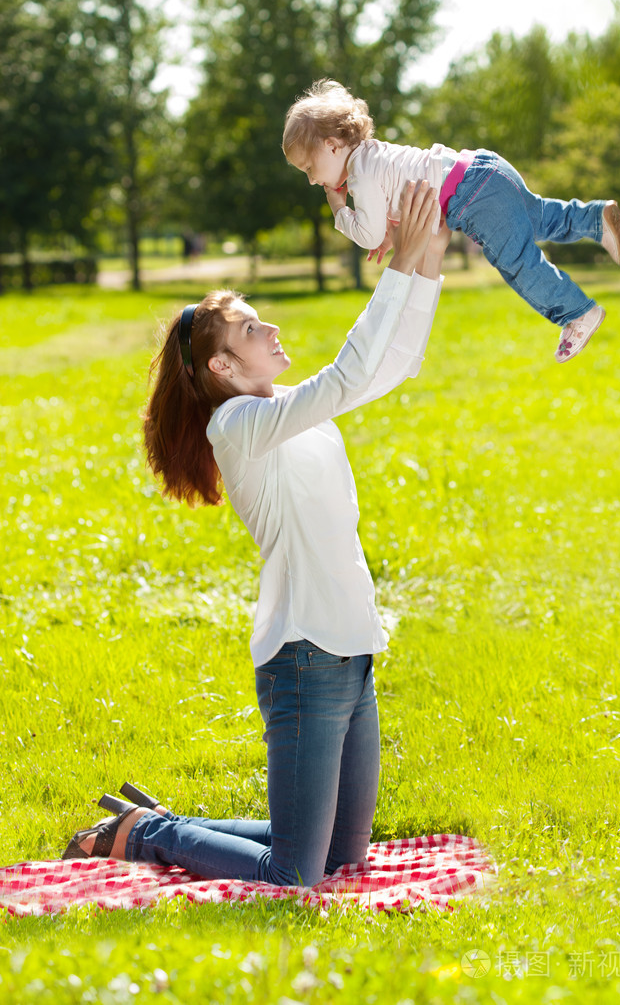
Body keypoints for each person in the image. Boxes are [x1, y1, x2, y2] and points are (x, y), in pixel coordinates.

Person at [62, 182, 450, 886]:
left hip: (351, 646)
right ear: (222, 368)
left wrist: (427, 265)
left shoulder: (289, 411)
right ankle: (149, 832)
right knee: (295, 874)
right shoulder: (237, 427)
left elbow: (388, 367)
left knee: (342, 857)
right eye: (249, 329)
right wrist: (399, 268)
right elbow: (350, 372)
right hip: (303, 657)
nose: (270, 330)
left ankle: (151, 824)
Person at [282, 79, 620, 364]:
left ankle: (577, 312)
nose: (312, 180)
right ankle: (595, 218)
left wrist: (340, 211)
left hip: (472, 198)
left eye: (309, 169)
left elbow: (368, 234)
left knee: (517, 263)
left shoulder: (358, 175)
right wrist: (392, 230)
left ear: (331, 145)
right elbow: (399, 198)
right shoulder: (374, 154)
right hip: (484, 167)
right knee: (539, 217)